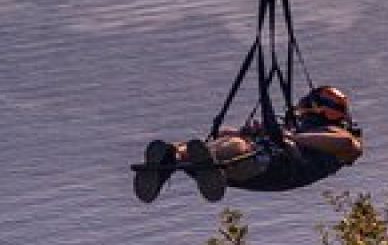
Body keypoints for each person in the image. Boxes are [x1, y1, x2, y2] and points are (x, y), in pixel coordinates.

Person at [135, 85, 363, 202]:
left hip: (275, 169)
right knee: (227, 137)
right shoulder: (296, 127)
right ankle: (173, 157)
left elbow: (346, 144)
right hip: (253, 164)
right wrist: (252, 132)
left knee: (237, 146)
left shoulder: (343, 141)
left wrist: (289, 138)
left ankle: (207, 164)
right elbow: (225, 133)